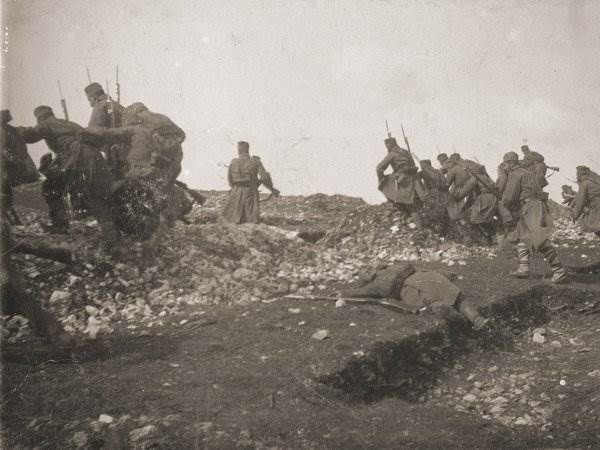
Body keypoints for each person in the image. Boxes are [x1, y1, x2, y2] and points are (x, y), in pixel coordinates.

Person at [17, 106, 118, 248]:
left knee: (51, 186)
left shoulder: (46, 124)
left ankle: (60, 225)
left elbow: (30, 136)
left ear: (39, 118)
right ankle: (111, 237)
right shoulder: (69, 123)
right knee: (96, 195)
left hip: (76, 156)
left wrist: (15, 130)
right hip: (94, 155)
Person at [341, 263, 489, 330]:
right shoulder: (395, 267)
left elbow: (359, 292)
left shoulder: (377, 284)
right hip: (428, 278)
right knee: (458, 299)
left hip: (411, 290)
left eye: (366, 268)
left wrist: (342, 294)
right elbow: (424, 268)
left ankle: (458, 321)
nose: (367, 269)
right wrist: (446, 274)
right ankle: (476, 319)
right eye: (364, 271)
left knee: (434, 301)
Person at [501, 152, 567, 282]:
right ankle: (523, 268)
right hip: (534, 205)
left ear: (510, 163)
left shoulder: (515, 174)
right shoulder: (527, 172)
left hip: (529, 207)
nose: (505, 166)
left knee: (539, 239)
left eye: (505, 163)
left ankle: (559, 271)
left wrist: (503, 203)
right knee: (522, 235)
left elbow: (509, 198)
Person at [222, 141, 279, 224]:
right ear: (248, 149)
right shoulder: (255, 161)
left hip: (235, 193)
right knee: (251, 221)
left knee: (231, 221)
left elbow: (230, 180)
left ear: (239, 150)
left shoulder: (233, 162)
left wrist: (235, 188)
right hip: (250, 192)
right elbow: (265, 177)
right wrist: (272, 189)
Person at [376, 137, 427, 226]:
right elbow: (412, 164)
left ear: (389, 145)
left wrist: (381, 178)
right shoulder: (405, 151)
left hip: (404, 180)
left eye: (387, 145)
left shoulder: (392, 154)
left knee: (409, 205)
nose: (386, 147)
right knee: (413, 204)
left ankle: (418, 226)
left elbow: (379, 168)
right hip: (415, 180)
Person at [1, 109, 40, 225]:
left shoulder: (9, 130)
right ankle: (13, 220)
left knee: (6, 195)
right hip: (14, 168)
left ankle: (13, 221)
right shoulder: (11, 130)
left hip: (13, 168)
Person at [85, 82, 125, 178]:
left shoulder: (100, 106)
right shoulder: (116, 104)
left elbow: (93, 130)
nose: (90, 104)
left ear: (93, 97)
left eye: (89, 100)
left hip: (111, 151)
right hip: (124, 148)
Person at [571, 166, 600, 238]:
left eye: (577, 174)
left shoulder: (585, 183)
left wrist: (575, 214)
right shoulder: (595, 181)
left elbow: (580, 201)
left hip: (596, 208)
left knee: (594, 226)